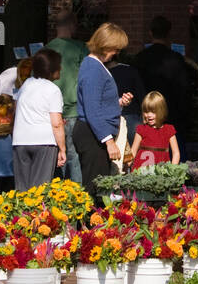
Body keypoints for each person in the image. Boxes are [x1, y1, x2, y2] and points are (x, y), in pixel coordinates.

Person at [73, 22, 133, 195]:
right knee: (95, 188)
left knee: (100, 186)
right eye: (115, 49)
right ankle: (89, 222)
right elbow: (92, 110)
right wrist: (109, 141)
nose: (117, 53)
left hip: (94, 132)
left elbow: (97, 103)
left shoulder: (95, 66)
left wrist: (119, 103)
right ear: (105, 45)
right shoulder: (93, 68)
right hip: (93, 135)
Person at [134, 16, 192, 158]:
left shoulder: (140, 58)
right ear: (168, 34)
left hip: (147, 115)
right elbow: (184, 89)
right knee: (175, 154)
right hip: (173, 115)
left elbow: (136, 88)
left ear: (150, 33)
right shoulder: (176, 59)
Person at [11, 48, 67, 191]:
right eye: (58, 65)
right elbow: (56, 124)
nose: (60, 68)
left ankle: (21, 214)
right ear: (52, 69)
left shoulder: (26, 84)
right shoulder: (53, 90)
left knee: (22, 190)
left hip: (20, 141)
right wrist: (62, 149)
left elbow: (15, 110)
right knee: (39, 190)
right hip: (44, 142)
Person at [46, 12, 90, 186]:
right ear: (73, 25)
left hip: (49, 114)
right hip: (72, 111)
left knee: (52, 157)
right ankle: (76, 196)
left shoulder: (45, 50)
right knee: (73, 157)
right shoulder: (80, 49)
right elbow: (87, 79)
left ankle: (56, 195)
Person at [128, 91, 180, 168]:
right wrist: (126, 166)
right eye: (146, 111)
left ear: (161, 111)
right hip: (141, 172)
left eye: (153, 112)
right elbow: (133, 151)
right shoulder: (141, 129)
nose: (149, 115)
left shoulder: (169, 130)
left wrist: (173, 170)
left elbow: (176, 153)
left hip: (161, 171)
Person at [109, 56, 146, 143]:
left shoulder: (102, 73)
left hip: (112, 118)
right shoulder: (130, 70)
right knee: (135, 152)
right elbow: (141, 94)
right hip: (132, 116)